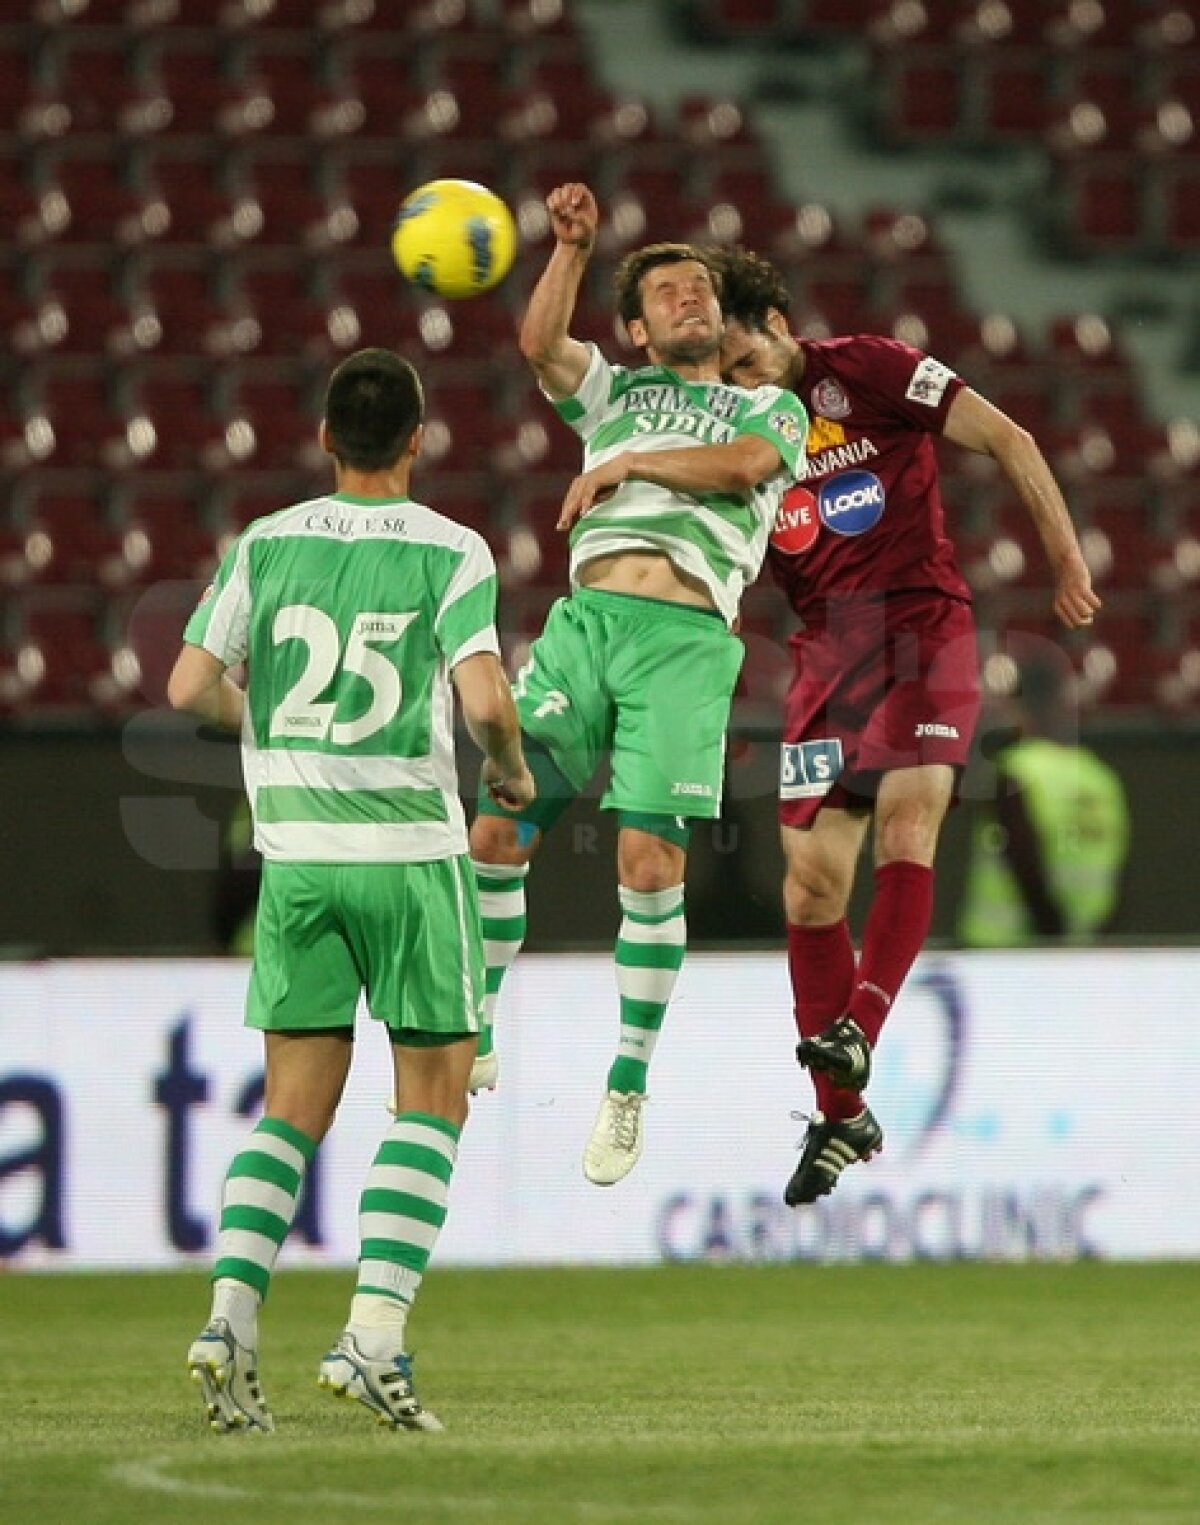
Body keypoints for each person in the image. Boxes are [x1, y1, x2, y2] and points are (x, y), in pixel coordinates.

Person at [168, 347, 533, 1434]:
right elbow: (483, 702)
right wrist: (510, 773)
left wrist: (270, 730)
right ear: (418, 439)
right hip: (412, 858)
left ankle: (227, 1323)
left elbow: (189, 683)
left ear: (326, 437)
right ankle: (373, 1336)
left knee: (289, 1110)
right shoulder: (451, 548)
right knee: (433, 1094)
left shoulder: (265, 543)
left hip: (297, 861)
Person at [709, 246, 1101, 1208]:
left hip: (923, 627)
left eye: (742, 359)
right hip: (826, 655)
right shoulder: (737, 428)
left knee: (909, 826)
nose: (736, 381)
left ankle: (863, 1028)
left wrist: (1067, 562)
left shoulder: (869, 367)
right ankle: (841, 1112)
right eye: (720, 373)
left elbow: (1008, 437)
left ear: (773, 325)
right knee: (809, 887)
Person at [469, 183, 810, 1187]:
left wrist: (634, 470)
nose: (690, 298)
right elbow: (540, 347)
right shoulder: (611, 392)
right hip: (586, 628)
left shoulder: (764, 404)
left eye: (699, 286)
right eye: (666, 290)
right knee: (497, 825)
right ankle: (473, 1021)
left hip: (688, 638)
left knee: (649, 862)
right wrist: (568, 247)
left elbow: (749, 467)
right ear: (633, 324)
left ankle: (625, 1086)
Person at [958, 656, 1130, 946]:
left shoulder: (1016, 772)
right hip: (1088, 947)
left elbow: (1023, 860)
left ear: (1018, 708)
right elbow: (1119, 873)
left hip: (1004, 952)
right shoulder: (1101, 778)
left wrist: (1054, 937)